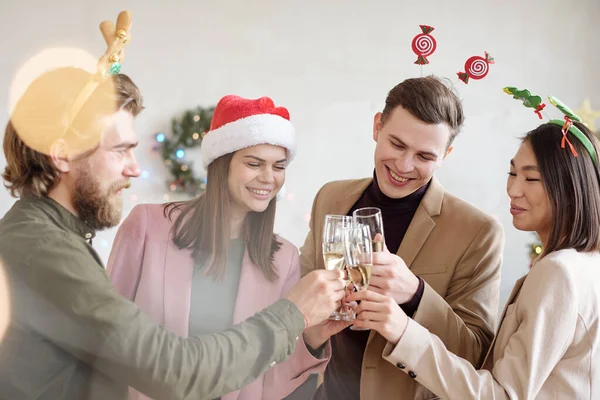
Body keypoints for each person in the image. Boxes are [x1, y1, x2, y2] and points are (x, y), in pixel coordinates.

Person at [0, 67, 345, 400]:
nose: (134, 167)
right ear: (63, 155)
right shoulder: (48, 248)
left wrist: (309, 333)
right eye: (121, 149)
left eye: (279, 166)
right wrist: (293, 313)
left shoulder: (49, 238)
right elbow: (173, 368)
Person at [107, 94, 350, 400]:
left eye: (278, 166)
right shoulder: (146, 226)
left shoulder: (284, 258)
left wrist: (313, 337)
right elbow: (105, 338)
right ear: (222, 164)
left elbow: (270, 381)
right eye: (253, 163)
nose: (268, 177)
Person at [350, 119, 600, 399]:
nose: (514, 189)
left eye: (531, 178)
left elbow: (503, 394)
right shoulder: (586, 262)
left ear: (570, 187)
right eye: (512, 172)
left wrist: (402, 330)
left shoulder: (559, 272)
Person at [299, 76, 504, 399]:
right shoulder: (330, 198)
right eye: (397, 144)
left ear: (446, 154)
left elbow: (476, 353)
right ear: (377, 126)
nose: (404, 165)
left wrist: (416, 293)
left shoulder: (478, 232)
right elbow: (301, 301)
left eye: (424, 157)